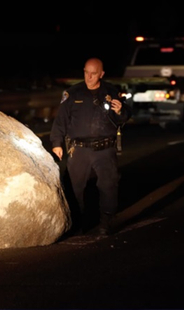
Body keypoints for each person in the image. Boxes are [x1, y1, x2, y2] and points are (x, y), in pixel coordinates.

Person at [50, 57, 131, 235]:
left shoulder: (110, 91)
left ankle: (106, 221)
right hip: (79, 149)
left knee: (108, 185)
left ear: (101, 74)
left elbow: (123, 118)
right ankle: (76, 223)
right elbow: (60, 121)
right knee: (74, 187)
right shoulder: (73, 94)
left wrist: (120, 111)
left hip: (105, 148)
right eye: (86, 72)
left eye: (94, 74)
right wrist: (57, 143)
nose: (89, 77)